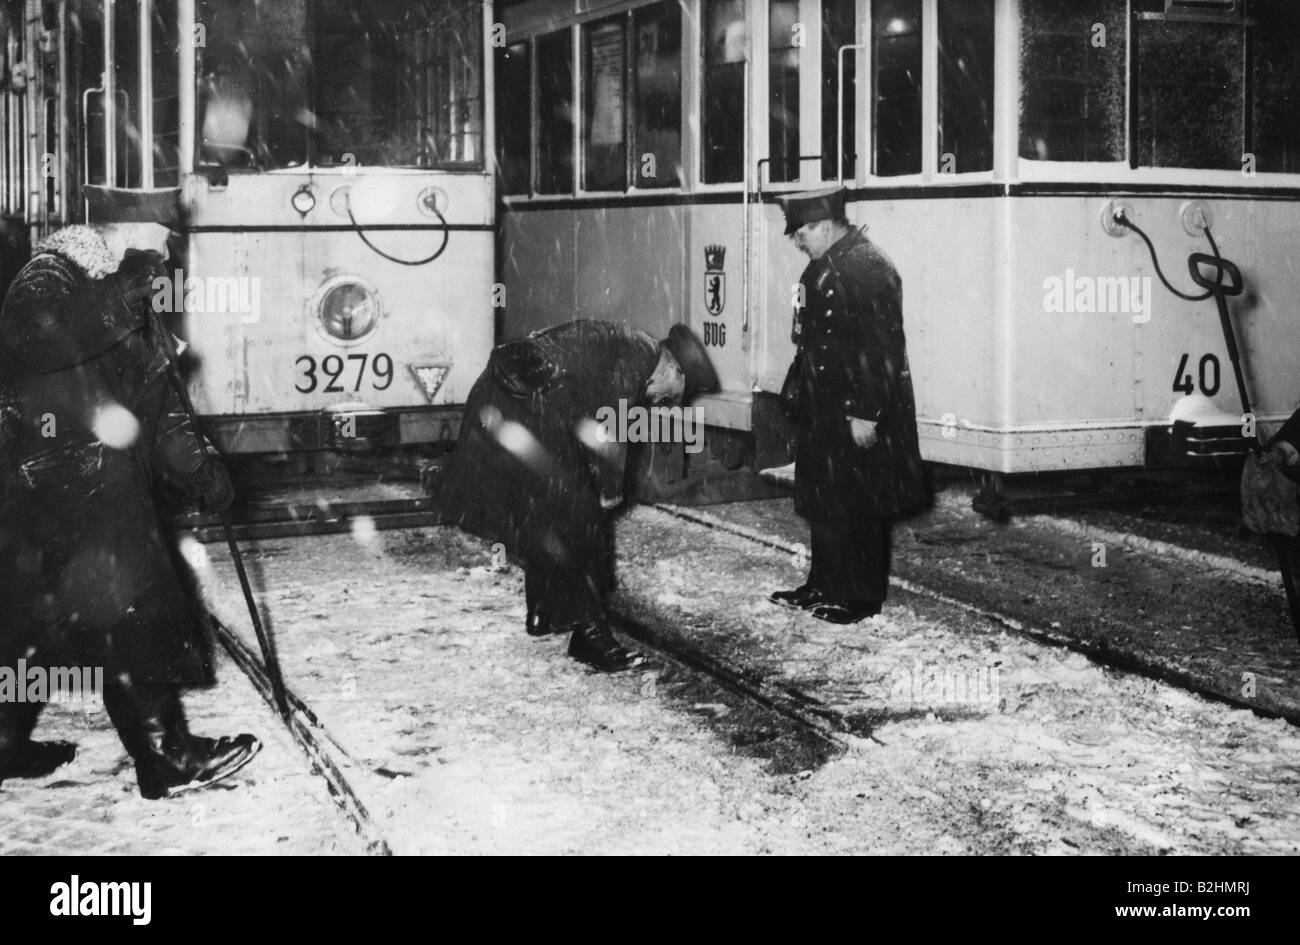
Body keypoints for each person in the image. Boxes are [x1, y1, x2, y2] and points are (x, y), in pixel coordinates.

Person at [0, 225, 260, 799]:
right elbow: (43, 340)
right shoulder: (47, 276)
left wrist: (203, 472)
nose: (163, 257)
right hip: (43, 490)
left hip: (90, 490)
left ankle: (6, 743)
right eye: (155, 242)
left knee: (38, 626)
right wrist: (121, 292)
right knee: (120, 616)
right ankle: (166, 755)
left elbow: (160, 409)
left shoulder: (126, 303)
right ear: (116, 237)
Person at [435, 320, 718, 671]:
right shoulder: (636, 356)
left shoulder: (631, 349)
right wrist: (608, 494)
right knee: (578, 523)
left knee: (542, 512)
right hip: (523, 406)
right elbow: (609, 436)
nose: (665, 402)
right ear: (673, 369)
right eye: (672, 394)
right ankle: (589, 638)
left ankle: (543, 612)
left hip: (505, 400)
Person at [769, 187, 927, 624]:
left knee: (861, 504)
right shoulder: (821, 268)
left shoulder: (870, 268)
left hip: (856, 406)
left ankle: (861, 597)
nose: (797, 242)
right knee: (824, 500)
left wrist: (866, 412)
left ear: (823, 226)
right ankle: (824, 583)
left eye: (801, 233)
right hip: (824, 405)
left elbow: (882, 349)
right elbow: (807, 333)